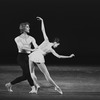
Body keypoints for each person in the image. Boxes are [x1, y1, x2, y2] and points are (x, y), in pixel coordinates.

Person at [28, 17, 75, 94]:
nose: (57, 46)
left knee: (32, 73)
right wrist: (69, 56)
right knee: (47, 76)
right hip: (38, 57)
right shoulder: (51, 49)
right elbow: (59, 56)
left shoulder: (46, 40)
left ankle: (37, 86)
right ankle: (57, 87)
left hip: (32, 55)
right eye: (58, 45)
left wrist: (42, 21)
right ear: (56, 42)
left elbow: (43, 30)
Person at [5, 22, 39, 93]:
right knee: (28, 73)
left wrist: (38, 48)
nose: (29, 28)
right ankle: (33, 88)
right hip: (21, 57)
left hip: (29, 57)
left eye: (29, 27)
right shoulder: (17, 38)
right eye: (27, 27)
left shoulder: (32, 38)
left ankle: (9, 84)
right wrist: (33, 49)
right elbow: (22, 47)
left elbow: (36, 46)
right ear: (23, 28)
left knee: (26, 75)